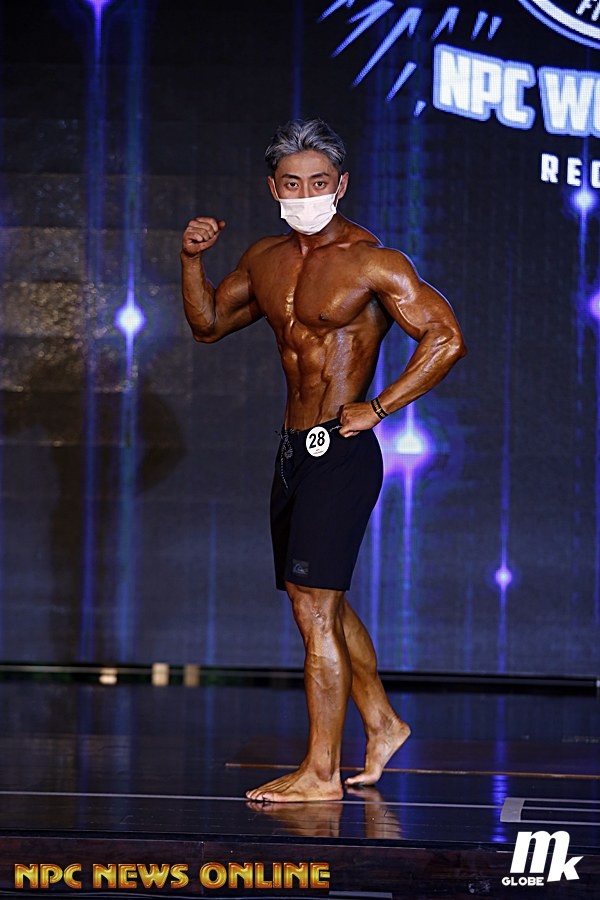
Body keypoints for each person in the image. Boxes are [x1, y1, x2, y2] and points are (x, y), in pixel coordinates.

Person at [181, 119, 466, 802]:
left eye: (318, 182)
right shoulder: (266, 259)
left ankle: (321, 773)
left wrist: (381, 406)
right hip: (291, 452)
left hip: (341, 451)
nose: (305, 194)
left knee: (314, 608)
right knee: (317, 601)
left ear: (340, 185)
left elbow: (445, 337)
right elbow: (208, 325)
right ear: (273, 188)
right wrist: (191, 260)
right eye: (292, 183)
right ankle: (384, 722)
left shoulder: (373, 262)